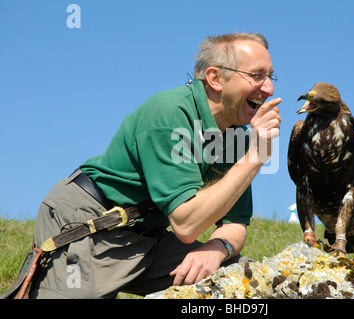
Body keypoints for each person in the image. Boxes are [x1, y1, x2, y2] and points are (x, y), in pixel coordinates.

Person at [30, 32, 282, 298]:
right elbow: (186, 225)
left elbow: (236, 223)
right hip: (90, 223)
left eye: (270, 76)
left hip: (148, 239)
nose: (269, 88)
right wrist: (254, 157)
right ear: (215, 78)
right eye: (257, 75)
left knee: (243, 283)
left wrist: (217, 248)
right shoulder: (170, 114)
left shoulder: (237, 134)